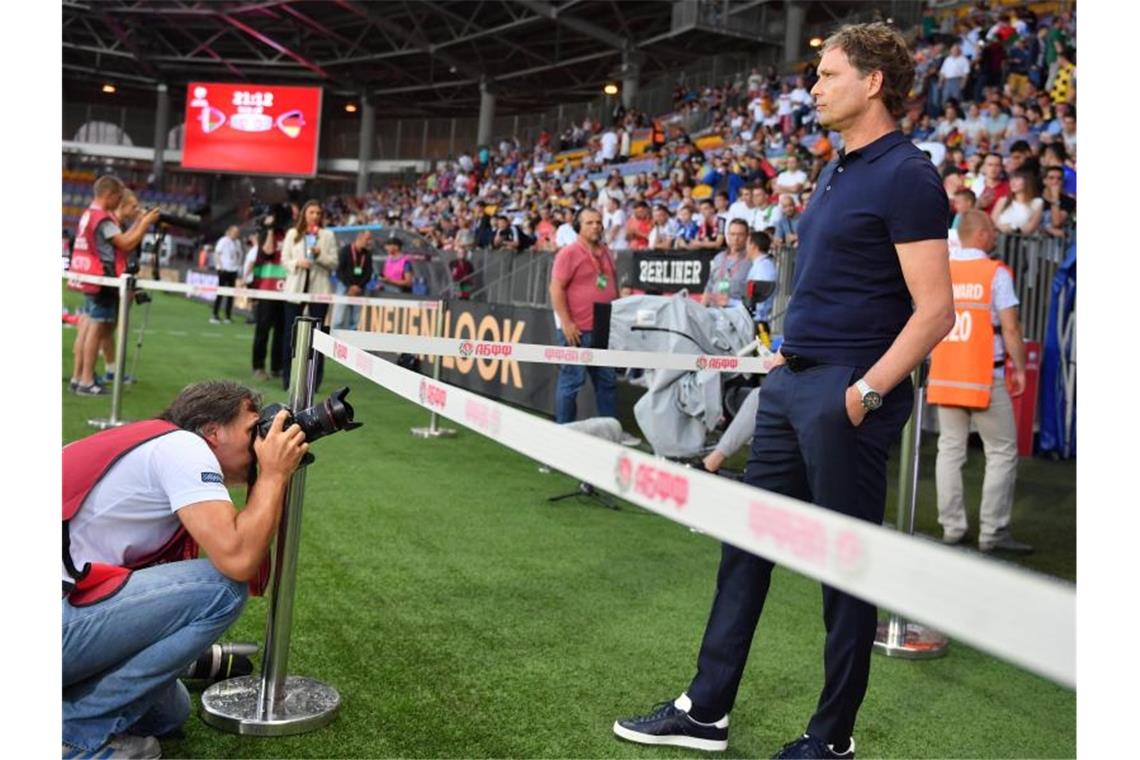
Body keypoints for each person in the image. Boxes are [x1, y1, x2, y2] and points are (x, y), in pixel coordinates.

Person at [614, 23, 954, 759]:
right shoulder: (836, 169)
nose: (814, 87)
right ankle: (706, 711)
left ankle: (831, 741)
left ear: (872, 82)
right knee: (745, 546)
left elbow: (937, 311)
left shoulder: (907, 174)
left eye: (828, 74)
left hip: (844, 397)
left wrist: (863, 391)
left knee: (844, 570)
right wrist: (786, 362)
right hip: (792, 383)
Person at [62, 380, 308, 758]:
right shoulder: (184, 446)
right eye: (252, 430)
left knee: (169, 713)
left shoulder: (151, 442)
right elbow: (238, 560)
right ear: (212, 431)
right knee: (221, 591)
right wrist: (273, 475)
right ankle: (71, 734)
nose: (259, 443)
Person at [928, 210, 1031, 554]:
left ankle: (952, 527)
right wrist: (1019, 368)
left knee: (950, 450)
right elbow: (1012, 329)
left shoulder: (944, 270)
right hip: (986, 375)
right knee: (1001, 452)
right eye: (992, 230)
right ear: (983, 234)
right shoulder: (994, 272)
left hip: (946, 373)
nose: (996, 235)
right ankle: (993, 531)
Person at [69, 176, 159, 396]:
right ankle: (87, 381)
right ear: (109, 195)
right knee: (95, 330)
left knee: (87, 327)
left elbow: (122, 239)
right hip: (101, 277)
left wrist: (139, 222)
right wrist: (145, 223)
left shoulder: (89, 214)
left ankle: (78, 377)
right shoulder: (102, 218)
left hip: (89, 276)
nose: (119, 200)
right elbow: (126, 243)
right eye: (118, 196)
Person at [549, 208, 618, 424]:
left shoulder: (605, 251)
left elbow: (609, 283)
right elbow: (556, 289)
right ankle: (564, 431)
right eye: (589, 223)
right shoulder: (568, 253)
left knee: (607, 381)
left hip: (603, 328)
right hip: (577, 329)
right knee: (571, 382)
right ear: (579, 227)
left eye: (598, 222)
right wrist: (567, 323)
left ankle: (611, 430)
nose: (596, 226)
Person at [280, 200, 338, 392]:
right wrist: (298, 262)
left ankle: (314, 383)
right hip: (295, 290)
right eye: (312, 212)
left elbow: (334, 263)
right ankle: (288, 379)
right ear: (304, 213)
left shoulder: (327, 236)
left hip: (319, 291)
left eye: (318, 213)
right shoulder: (293, 234)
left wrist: (319, 256)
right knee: (290, 335)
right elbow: (284, 260)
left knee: (318, 338)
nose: (315, 216)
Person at [250, 215, 287, 382]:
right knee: (263, 330)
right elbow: (268, 251)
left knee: (281, 331)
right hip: (267, 290)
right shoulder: (266, 234)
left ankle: (276, 367)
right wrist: (270, 229)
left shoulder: (292, 236)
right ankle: (258, 366)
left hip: (286, 290)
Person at [701, 219, 751, 308]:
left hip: (737, 314)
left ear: (747, 237)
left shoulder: (751, 260)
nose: (736, 238)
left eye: (740, 235)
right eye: (733, 234)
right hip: (714, 312)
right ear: (727, 236)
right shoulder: (719, 258)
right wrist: (701, 309)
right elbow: (709, 285)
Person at [333, 229, 374, 331]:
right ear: (359, 237)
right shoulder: (345, 251)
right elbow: (339, 271)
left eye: (370, 239)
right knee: (339, 319)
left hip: (359, 289)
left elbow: (368, 273)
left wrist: (358, 287)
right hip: (344, 286)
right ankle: (334, 341)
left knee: (355, 320)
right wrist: (350, 286)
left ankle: (351, 343)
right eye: (367, 239)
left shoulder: (367, 254)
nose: (369, 242)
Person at [991, 168, 1044, 235]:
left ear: (1027, 181)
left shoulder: (1037, 202)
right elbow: (992, 222)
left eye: (1017, 179)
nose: (1013, 182)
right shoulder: (1003, 200)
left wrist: (1011, 228)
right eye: (1011, 179)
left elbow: (1030, 228)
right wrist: (1003, 228)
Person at [210, 225, 242, 324]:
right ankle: (215, 315)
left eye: (237, 232)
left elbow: (239, 255)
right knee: (220, 293)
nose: (236, 234)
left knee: (231, 294)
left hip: (233, 270)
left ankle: (228, 316)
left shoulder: (237, 243)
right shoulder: (223, 241)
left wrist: (238, 266)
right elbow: (217, 253)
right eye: (234, 232)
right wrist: (219, 266)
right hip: (224, 270)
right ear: (230, 231)